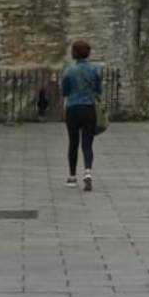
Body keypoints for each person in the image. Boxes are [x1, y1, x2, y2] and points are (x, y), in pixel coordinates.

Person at [61, 40, 105, 191]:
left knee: (73, 143)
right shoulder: (94, 70)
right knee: (87, 143)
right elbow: (99, 89)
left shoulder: (68, 71)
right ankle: (87, 172)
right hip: (88, 108)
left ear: (74, 53)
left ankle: (72, 177)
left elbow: (65, 92)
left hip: (73, 109)